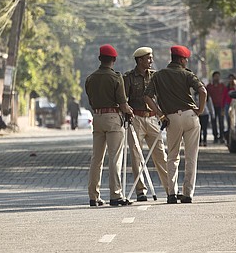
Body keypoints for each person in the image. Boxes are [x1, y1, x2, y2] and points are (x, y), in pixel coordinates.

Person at [144, 45, 207, 204]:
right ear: (181, 59)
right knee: (191, 157)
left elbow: (147, 97)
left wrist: (160, 114)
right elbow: (203, 91)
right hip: (190, 116)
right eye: (186, 59)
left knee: (172, 156)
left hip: (171, 118)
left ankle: (172, 193)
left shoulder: (158, 76)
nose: (187, 62)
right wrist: (200, 109)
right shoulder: (187, 74)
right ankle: (187, 194)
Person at [85, 44, 134, 207]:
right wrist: (129, 111)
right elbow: (122, 102)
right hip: (113, 118)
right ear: (114, 60)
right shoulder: (115, 77)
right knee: (115, 157)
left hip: (97, 118)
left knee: (96, 158)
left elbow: (91, 101)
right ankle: (115, 195)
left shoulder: (90, 78)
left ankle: (93, 196)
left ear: (100, 59)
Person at [123, 47, 171, 201]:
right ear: (139, 60)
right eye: (148, 58)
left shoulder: (155, 76)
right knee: (136, 155)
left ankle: (170, 189)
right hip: (135, 119)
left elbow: (161, 96)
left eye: (151, 58)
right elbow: (123, 99)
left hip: (152, 119)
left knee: (161, 155)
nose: (151, 61)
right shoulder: (129, 77)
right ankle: (140, 191)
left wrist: (163, 114)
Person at [206, 71, 226, 143]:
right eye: (215, 76)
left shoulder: (222, 86)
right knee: (213, 122)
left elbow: (225, 96)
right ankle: (215, 136)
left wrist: (224, 106)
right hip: (212, 107)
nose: (217, 78)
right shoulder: (209, 86)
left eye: (218, 76)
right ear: (213, 77)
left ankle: (221, 136)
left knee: (221, 122)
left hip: (220, 107)